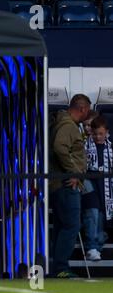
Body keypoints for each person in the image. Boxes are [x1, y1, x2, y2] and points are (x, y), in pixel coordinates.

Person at [49, 93, 91, 278]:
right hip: (67, 185)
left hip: (58, 184)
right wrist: (73, 172)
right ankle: (61, 268)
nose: (87, 115)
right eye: (87, 111)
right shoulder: (68, 125)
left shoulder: (62, 123)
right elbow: (60, 147)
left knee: (62, 226)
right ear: (81, 108)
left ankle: (58, 268)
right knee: (71, 225)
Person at [82, 115, 111, 260]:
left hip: (105, 183)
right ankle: (91, 246)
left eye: (101, 133)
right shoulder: (84, 145)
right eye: (95, 134)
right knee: (92, 211)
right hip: (88, 179)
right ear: (91, 132)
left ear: (106, 132)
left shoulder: (110, 147)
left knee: (101, 213)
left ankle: (97, 244)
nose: (98, 137)